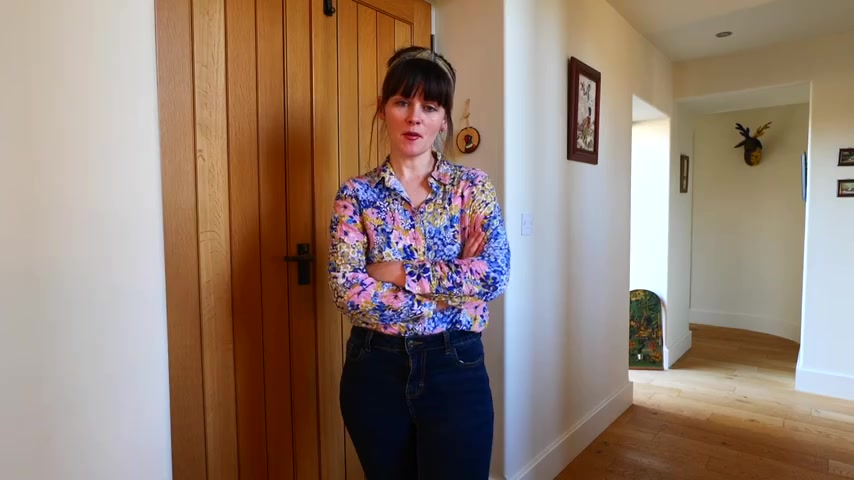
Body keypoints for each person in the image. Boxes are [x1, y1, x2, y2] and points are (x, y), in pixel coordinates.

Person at [327, 46, 510, 480]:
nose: (414, 117)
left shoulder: (471, 188)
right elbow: (347, 291)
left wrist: (398, 273)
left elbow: (495, 275)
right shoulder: (355, 195)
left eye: (429, 107)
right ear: (383, 108)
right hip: (375, 369)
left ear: (444, 118)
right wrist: (453, 293)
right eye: (402, 102)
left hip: (456, 365)